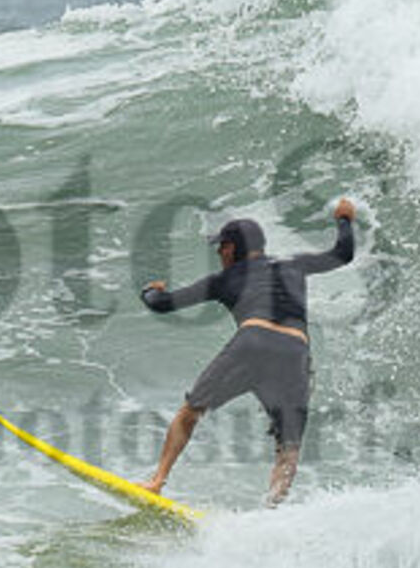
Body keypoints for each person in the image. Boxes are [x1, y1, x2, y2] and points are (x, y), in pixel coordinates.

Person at [139, 199, 357, 506]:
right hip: (296, 353)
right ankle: (273, 508)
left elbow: (162, 304)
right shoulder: (295, 265)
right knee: (288, 447)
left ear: (231, 248)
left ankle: (156, 481)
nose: (219, 254)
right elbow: (343, 253)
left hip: (253, 342)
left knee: (190, 412)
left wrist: (150, 290)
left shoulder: (225, 278)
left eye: (220, 247)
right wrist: (344, 219)